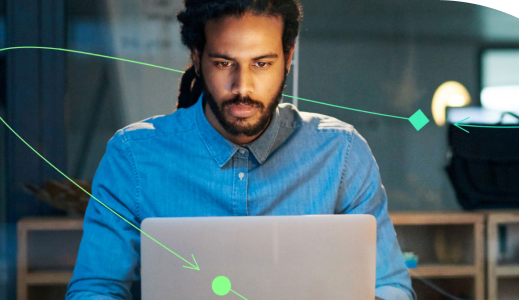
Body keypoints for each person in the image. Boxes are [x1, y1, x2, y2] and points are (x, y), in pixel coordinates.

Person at [65, 1, 416, 299]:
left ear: (288, 56)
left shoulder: (342, 153)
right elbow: (95, 288)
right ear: (197, 57)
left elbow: (390, 286)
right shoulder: (133, 156)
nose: (242, 87)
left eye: (261, 63)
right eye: (223, 64)